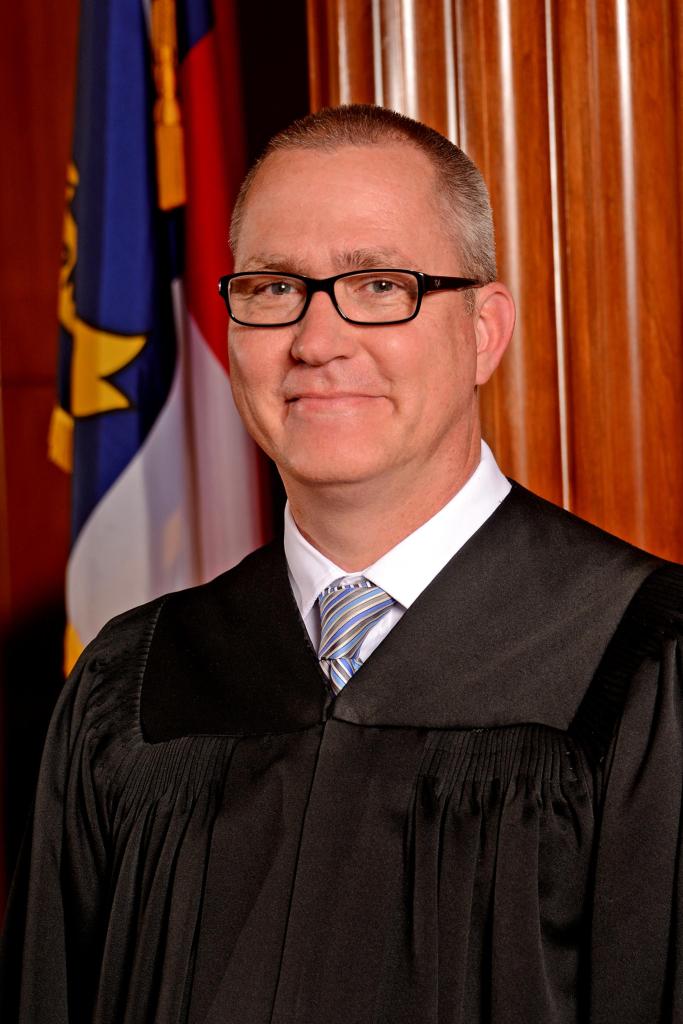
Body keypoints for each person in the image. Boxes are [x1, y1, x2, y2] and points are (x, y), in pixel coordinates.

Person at [2, 104, 682, 1024]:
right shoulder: (134, 681)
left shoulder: (641, 662)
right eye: (274, 288)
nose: (316, 342)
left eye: (376, 285)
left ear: (484, 330)